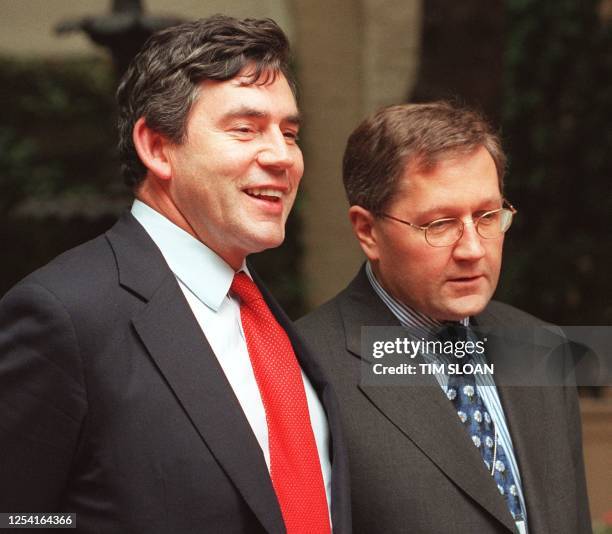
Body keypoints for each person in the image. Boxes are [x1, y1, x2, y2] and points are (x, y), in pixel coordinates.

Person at [0, 15, 350, 534]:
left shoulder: (270, 325)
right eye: (245, 129)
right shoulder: (64, 316)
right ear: (157, 147)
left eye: (290, 133)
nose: (282, 156)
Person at [296, 102, 591, 533]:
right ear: (367, 231)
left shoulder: (540, 345)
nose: (473, 248)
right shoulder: (304, 366)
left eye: (488, 217)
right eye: (440, 224)